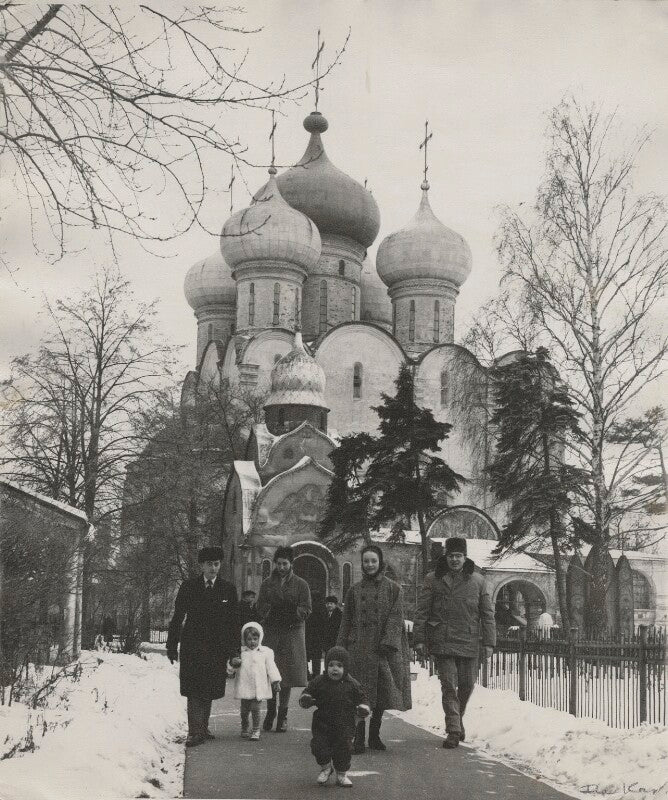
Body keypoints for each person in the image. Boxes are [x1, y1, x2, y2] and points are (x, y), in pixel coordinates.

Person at [413, 537, 496, 749]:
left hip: (469, 640)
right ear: (446, 557)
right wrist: (419, 638)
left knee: (467, 684)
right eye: (451, 556)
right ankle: (453, 730)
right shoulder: (433, 579)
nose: (455, 560)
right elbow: (422, 610)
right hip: (442, 639)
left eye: (458, 556)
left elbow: (487, 614)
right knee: (448, 685)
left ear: (465, 557)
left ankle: (457, 720)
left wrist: (489, 643)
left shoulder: (478, 581)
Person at [336, 544, 412, 754]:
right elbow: (346, 620)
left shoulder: (393, 589)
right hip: (358, 649)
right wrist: (340, 649)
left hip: (381, 650)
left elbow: (396, 617)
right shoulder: (354, 590)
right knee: (359, 694)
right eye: (366, 561)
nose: (370, 565)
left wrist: (388, 642)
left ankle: (374, 735)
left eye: (373, 561)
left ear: (380, 563)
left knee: (380, 695)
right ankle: (358, 737)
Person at [166, 546, 239, 747]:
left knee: (209, 688)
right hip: (193, 646)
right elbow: (178, 617)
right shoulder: (189, 587)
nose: (213, 568)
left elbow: (233, 623)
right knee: (193, 689)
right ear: (201, 565)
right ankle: (194, 731)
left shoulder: (228, 589)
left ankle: (203, 727)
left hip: (217, 647)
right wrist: (172, 646)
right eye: (209, 564)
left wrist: (234, 651)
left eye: (216, 564)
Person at [257, 545, 312, 732]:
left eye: (285, 564)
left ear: (291, 563)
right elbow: (260, 606)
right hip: (272, 632)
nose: (281, 567)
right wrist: (271, 612)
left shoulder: (301, 584)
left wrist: (293, 613)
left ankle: (283, 715)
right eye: (279, 564)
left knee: (286, 676)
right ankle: (270, 711)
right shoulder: (267, 584)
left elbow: (307, 608)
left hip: (291, 632)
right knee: (272, 674)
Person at [299, 646, 370, 788]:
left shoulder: (352, 684)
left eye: (339, 665)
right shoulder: (319, 681)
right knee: (319, 746)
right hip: (322, 723)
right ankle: (326, 768)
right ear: (326, 665)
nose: (334, 669)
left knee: (343, 749)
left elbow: (363, 698)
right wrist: (306, 699)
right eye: (331, 665)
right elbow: (308, 692)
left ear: (346, 667)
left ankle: (342, 774)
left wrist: (363, 707)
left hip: (345, 724)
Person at [229, 622, 281, 741]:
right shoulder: (241, 652)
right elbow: (231, 670)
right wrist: (233, 664)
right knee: (244, 710)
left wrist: (276, 681)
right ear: (244, 639)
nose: (252, 642)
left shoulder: (265, 652)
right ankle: (245, 727)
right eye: (249, 639)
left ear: (260, 638)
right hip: (244, 686)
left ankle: (256, 729)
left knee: (256, 709)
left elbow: (271, 667)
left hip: (258, 687)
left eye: (255, 639)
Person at [305, 591, 326, 678]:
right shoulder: (322, 608)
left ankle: (306, 673)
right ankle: (316, 674)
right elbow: (324, 622)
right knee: (316, 656)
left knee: (305, 655)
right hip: (318, 636)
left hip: (307, 635)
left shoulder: (308, 606)